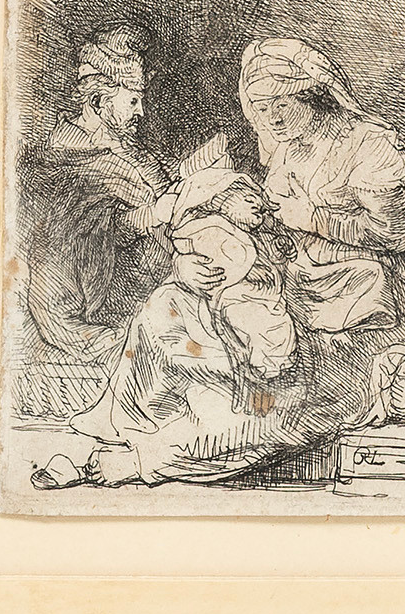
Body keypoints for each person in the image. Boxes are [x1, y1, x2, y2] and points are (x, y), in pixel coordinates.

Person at [30, 175, 314, 488]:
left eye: (258, 198)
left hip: (253, 349)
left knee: (235, 417)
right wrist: (184, 268)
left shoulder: (267, 239)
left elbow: (273, 290)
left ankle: (132, 460)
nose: (256, 201)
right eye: (243, 193)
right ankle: (127, 434)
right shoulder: (203, 235)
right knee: (162, 309)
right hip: (209, 338)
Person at [17, 31, 219, 370]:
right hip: (96, 316)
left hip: (155, 289)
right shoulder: (68, 164)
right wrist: (160, 214)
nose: (141, 112)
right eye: (133, 101)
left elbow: (155, 195)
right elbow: (107, 231)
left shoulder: (122, 145)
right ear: (98, 102)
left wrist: (197, 171)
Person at [237, 37, 405, 341]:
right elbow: (278, 213)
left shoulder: (366, 142)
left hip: (371, 271)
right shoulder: (287, 149)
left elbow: (397, 235)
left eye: (282, 104)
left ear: (312, 97)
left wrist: (313, 219)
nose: (272, 119)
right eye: (262, 109)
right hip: (307, 268)